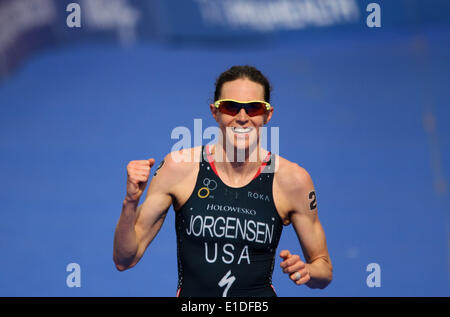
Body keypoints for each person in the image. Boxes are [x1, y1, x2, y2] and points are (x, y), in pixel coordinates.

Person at [113, 65, 332, 297]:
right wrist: (130, 201)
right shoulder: (178, 168)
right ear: (215, 112)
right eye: (230, 107)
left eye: (254, 108)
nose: (241, 118)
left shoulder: (292, 179)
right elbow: (124, 259)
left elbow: (324, 270)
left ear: (268, 115)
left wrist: (308, 271)